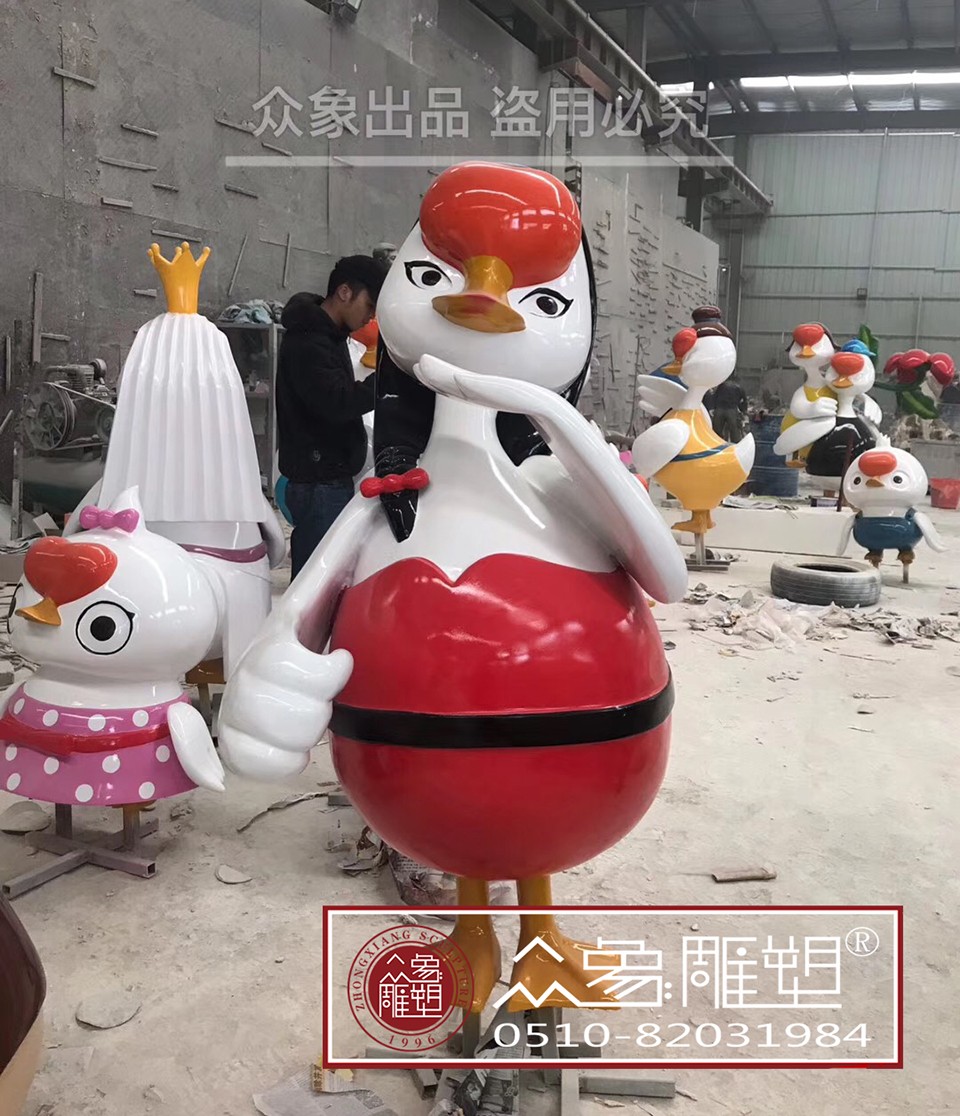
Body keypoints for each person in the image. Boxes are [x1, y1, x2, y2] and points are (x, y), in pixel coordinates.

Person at [277, 255, 387, 579]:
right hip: (319, 484)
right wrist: (386, 381)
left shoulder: (330, 335)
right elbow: (337, 402)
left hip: (328, 480)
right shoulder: (308, 340)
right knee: (318, 581)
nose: (370, 317)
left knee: (325, 579)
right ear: (344, 292)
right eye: (369, 305)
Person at [705, 373, 748, 443]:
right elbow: (743, 401)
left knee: (717, 431)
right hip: (732, 410)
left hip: (719, 409)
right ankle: (734, 444)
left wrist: (712, 407)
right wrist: (743, 411)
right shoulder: (739, 387)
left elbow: (715, 396)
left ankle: (716, 443)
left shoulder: (721, 386)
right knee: (734, 431)